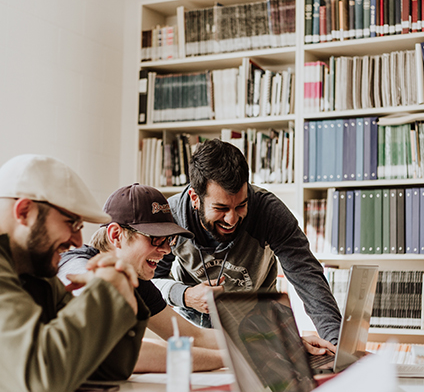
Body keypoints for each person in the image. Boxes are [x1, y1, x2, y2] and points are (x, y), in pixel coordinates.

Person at [153, 138, 342, 345]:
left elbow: (308, 278)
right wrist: (186, 296)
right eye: (221, 209)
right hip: (195, 336)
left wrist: (335, 344)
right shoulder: (171, 218)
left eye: (241, 205)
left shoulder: (269, 212)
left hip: (259, 333)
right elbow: (151, 280)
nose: (232, 219)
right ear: (195, 198)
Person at [0, 154, 149, 392]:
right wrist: (107, 291)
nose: (78, 241)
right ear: (24, 211)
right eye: (72, 223)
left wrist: (121, 290)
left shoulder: (38, 274)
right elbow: (41, 378)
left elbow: (107, 370)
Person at [58, 183, 224, 373]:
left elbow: (193, 336)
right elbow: (122, 351)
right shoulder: (75, 266)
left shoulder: (136, 280)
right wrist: (228, 359)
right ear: (116, 235)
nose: (167, 250)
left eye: (169, 240)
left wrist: (253, 343)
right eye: (156, 238)